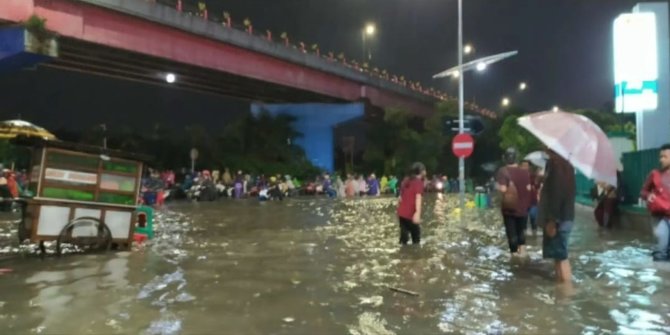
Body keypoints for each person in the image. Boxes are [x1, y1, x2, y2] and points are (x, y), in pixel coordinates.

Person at [538, 149, 576, 283]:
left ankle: (566, 292)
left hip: (559, 218)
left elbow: (557, 194)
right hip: (563, 216)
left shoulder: (558, 166)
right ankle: (561, 291)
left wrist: (552, 220)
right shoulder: (564, 165)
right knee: (558, 256)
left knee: (561, 257)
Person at [496, 148, 532, 256]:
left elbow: (503, 189)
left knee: (512, 235)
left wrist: (496, 186)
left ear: (505, 158)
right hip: (523, 209)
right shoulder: (525, 172)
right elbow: (529, 188)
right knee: (521, 233)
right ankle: (523, 255)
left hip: (509, 209)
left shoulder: (503, 171)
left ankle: (514, 259)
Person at [640, 144, 670, 261]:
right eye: (660, 156)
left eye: (665, 157)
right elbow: (643, 191)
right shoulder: (655, 174)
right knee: (661, 248)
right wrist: (648, 195)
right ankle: (660, 276)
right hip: (660, 217)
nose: (661, 159)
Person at [397, 162, 426, 245]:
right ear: (421, 171)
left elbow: (400, 197)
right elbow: (418, 198)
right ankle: (414, 256)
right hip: (411, 213)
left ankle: (402, 253)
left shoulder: (406, 180)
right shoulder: (418, 182)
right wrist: (417, 213)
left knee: (403, 237)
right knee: (416, 239)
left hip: (401, 213)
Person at [520, 160, 539, 235]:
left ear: (529, 167)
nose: (524, 167)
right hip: (523, 202)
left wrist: (535, 184)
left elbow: (537, 186)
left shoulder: (533, 176)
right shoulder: (519, 177)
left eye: (526, 166)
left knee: (533, 217)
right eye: (523, 166)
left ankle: (535, 233)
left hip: (532, 201)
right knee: (523, 220)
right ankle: (523, 236)